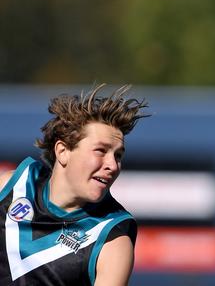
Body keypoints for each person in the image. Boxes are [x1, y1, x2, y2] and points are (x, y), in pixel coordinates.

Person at [0, 84, 149, 285]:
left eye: (118, 155)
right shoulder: (10, 186)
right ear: (63, 151)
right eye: (100, 151)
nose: (112, 165)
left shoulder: (111, 240)